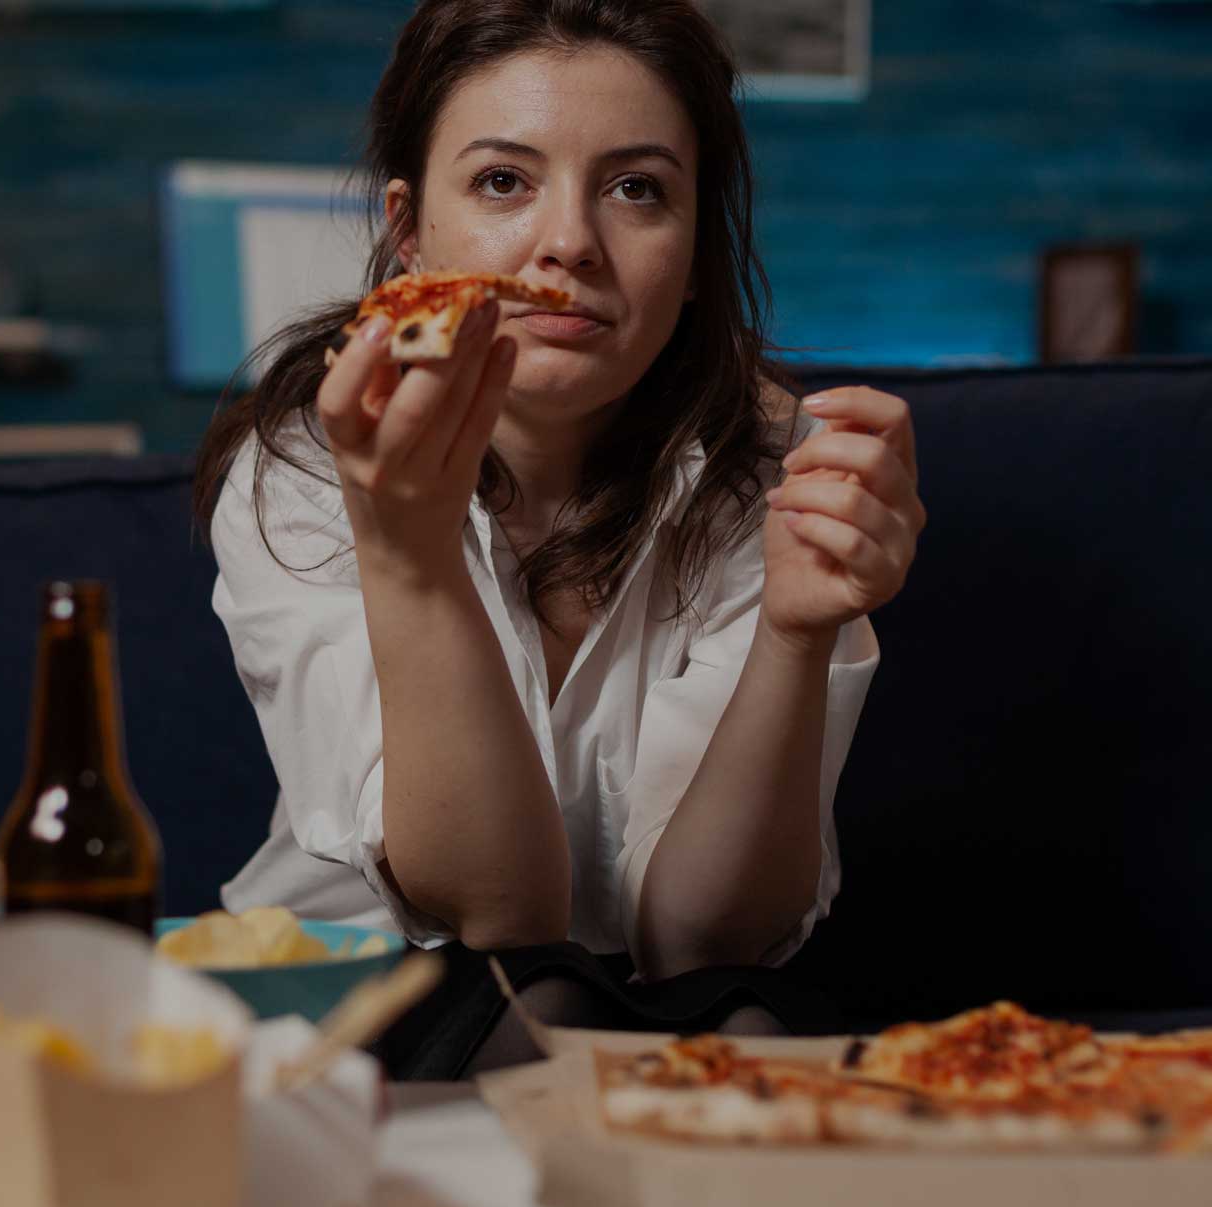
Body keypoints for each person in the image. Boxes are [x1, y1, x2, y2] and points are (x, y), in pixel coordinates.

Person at [191, 0, 925, 1078]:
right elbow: (496, 907)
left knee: (753, 1028)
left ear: (691, 248)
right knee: (538, 1012)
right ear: (410, 231)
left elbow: (706, 938)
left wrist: (794, 633)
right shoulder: (303, 467)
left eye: (637, 189)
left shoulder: (782, 472)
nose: (570, 243)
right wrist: (411, 551)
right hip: (355, 983)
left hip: (665, 994)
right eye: (503, 182)